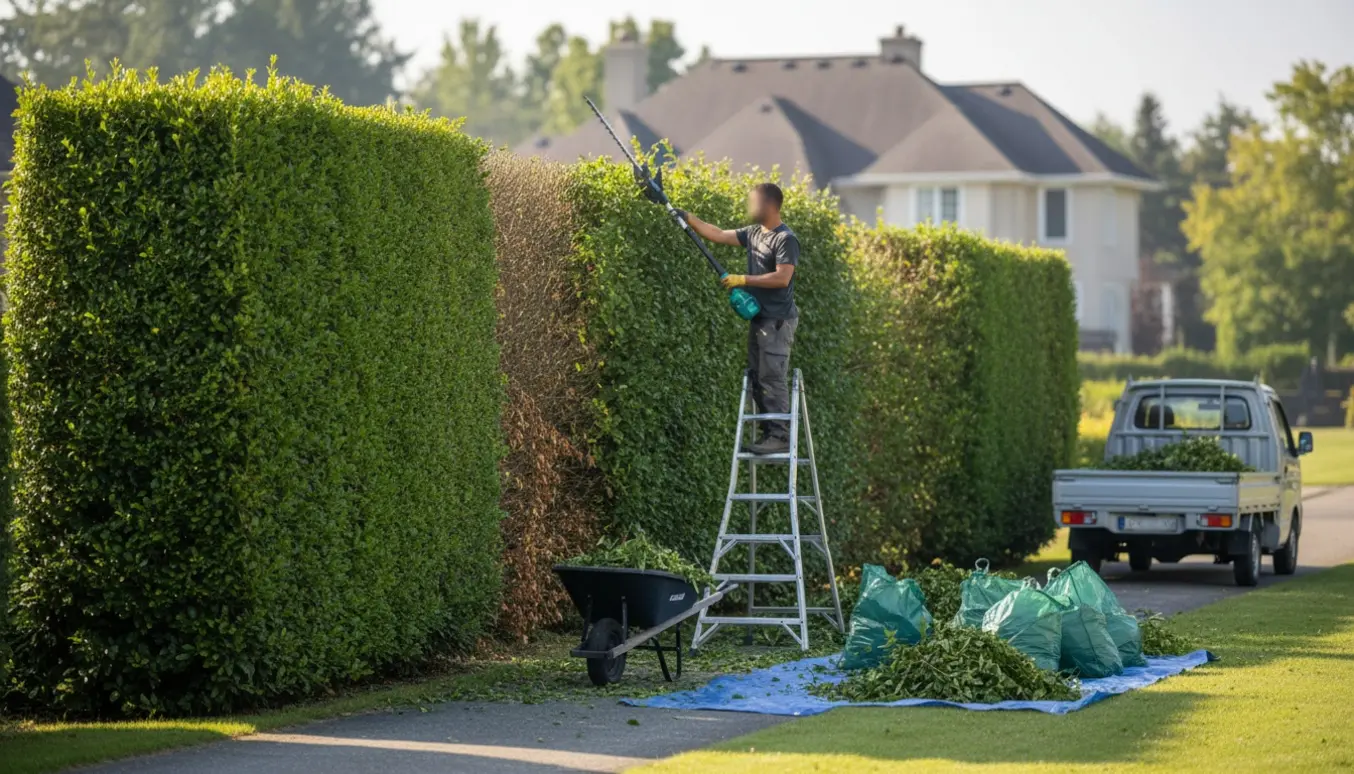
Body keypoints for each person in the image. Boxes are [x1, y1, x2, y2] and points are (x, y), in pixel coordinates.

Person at [677, 183, 800, 455]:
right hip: (759, 318)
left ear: (770, 205)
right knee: (757, 376)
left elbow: (783, 277)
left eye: (754, 202)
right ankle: (769, 433)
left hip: (777, 320)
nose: (750, 207)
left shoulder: (785, 239)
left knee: (772, 376)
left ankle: (780, 435)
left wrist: (742, 279)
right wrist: (686, 216)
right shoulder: (754, 233)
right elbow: (719, 234)